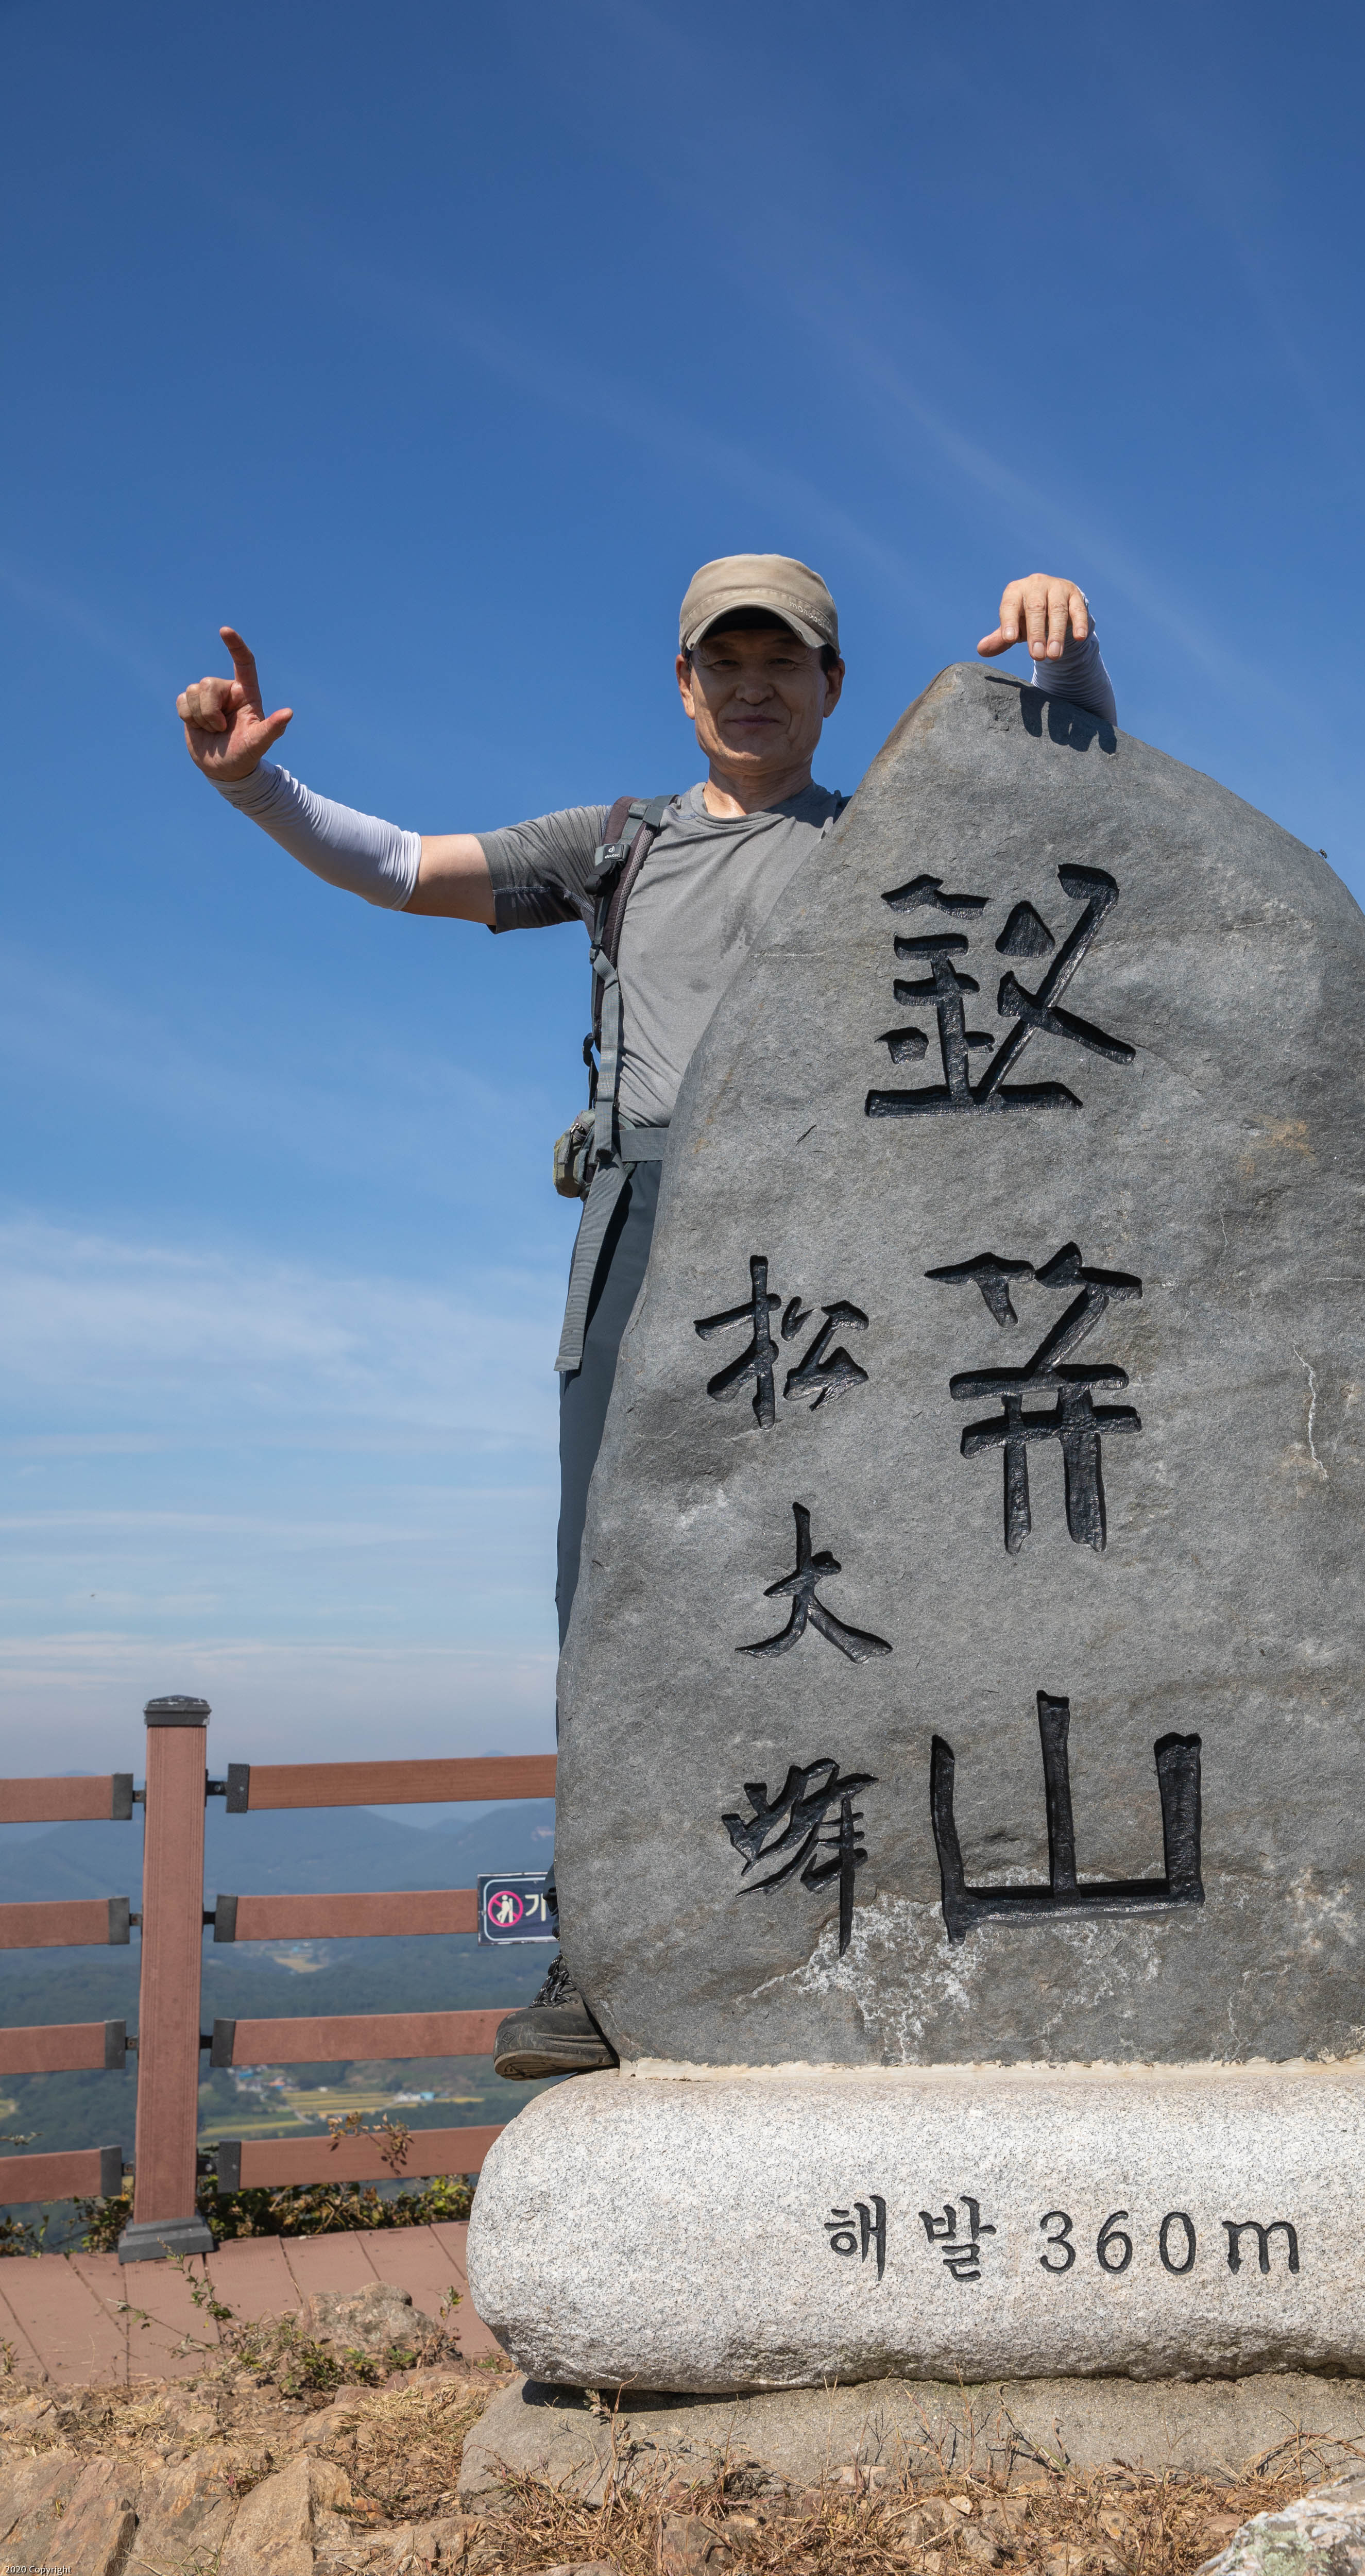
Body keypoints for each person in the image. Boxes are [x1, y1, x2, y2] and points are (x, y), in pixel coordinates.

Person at [175, 554, 1118, 2076]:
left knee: (866, 1566)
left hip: (843, 1224)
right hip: (649, 1221)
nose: (751, 688)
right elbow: (407, 866)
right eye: (722, 664)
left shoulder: (888, 835)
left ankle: (876, 1904)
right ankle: (608, 1945)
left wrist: (1067, 671)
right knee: (614, 1582)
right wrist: (254, 791)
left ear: (831, 687)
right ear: (683, 689)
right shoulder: (618, 847)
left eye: (782, 662)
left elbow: (1075, 829)